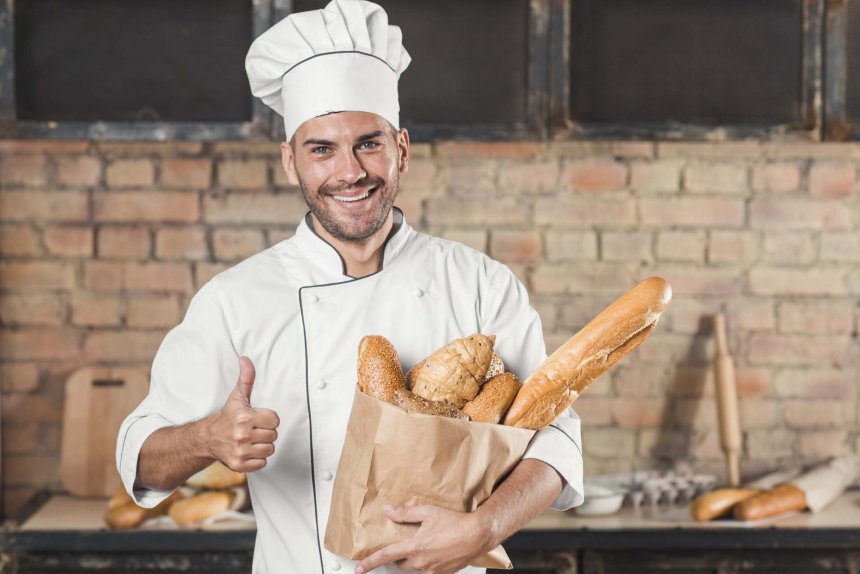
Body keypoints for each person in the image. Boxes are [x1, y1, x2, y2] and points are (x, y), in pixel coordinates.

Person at [115, 1, 584, 573]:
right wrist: (208, 439)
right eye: (321, 149)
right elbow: (139, 457)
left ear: (401, 149)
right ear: (290, 162)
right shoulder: (236, 299)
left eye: (369, 142)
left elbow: (554, 439)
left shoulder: (481, 284)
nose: (350, 172)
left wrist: (483, 528)